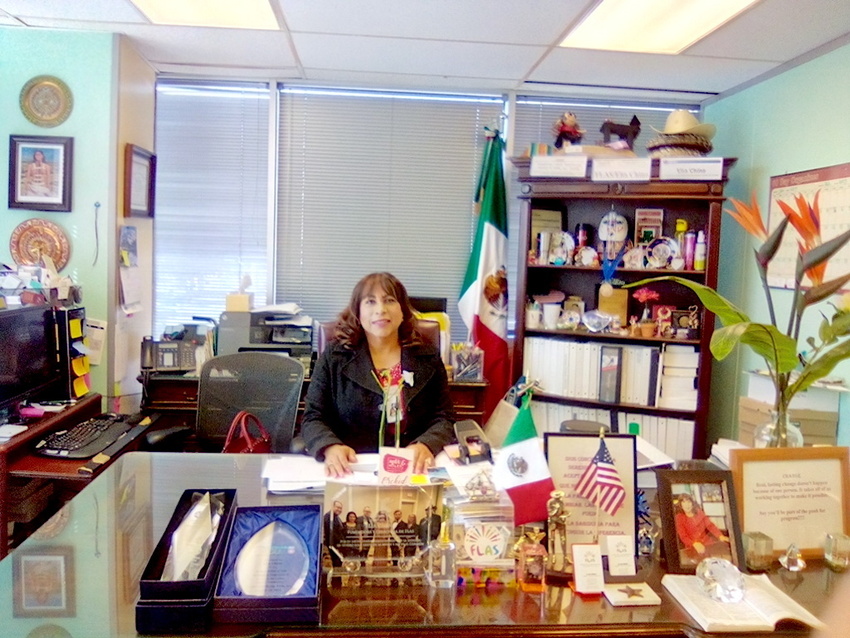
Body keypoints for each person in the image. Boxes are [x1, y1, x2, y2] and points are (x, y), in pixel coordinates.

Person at [302, 272, 455, 477]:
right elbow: (313, 416)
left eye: (390, 300)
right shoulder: (335, 356)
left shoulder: (426, 356)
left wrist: (426, 444)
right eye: (370, 302)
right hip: (352, 468)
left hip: (412, 469)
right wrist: (330, 447)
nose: (380, 310)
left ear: (402, 310)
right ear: (358, 311)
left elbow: (444, 417)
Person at [674, 493, 731, 565]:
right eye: (684, 502)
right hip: (692, 549)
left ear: (692, 503)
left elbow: (710, 525)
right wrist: (694, 544)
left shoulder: (699, 512)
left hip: (707, 544)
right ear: (681, 505)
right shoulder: (679, 518)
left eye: (689, 501)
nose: (687, 505)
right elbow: (683, 536)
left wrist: (720, 536)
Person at [323, 500, 345, 568]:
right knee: (336, 567)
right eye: (337, 507)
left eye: (340, 508)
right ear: (332, 507)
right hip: (333, 547)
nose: (339, 509)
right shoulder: (329, 517)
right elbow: (330, 533)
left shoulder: (336, 517)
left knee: (338, 565)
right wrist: (337, 546)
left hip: (336, 546)